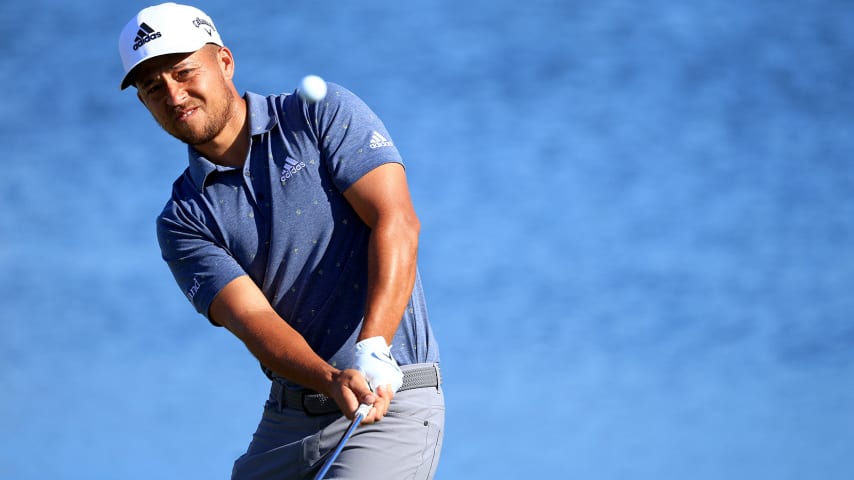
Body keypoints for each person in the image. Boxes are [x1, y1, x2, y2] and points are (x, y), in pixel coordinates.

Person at [117, 3, 444, 479]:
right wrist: (330, 379)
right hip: (288, 418)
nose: (173, 93)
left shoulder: (318, 113)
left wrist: (373, 346)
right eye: (152, 87)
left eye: (184, 71)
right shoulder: (182, 219)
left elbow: (396, 221)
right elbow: (253, 319)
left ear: (225, 62)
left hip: (389, 399)